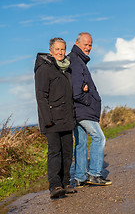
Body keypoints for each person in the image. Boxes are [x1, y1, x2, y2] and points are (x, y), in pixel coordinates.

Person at [34, 37, 77, 199]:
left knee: (67, 152)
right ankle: (55, 186)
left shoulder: (65, 68)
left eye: (62, 49)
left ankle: (66, 183)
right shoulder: (44, 69)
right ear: (50, 50)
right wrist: (47, 120)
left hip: (66, 118)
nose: (60, 52)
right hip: (51, 120)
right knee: (55, 153)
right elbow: (41, 96)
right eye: (57, 49)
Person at [68, 32, 112, 187]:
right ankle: (94, 174)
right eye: (85, 44)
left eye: (90, 45)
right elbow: (77, 91)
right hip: (82, 109)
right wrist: (91, 101)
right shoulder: (76, 61)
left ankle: (79, 177)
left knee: (80, 143)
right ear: (77, 43)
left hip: (76, 110)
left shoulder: (76, 59)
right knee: (99, 138)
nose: (88, 48)